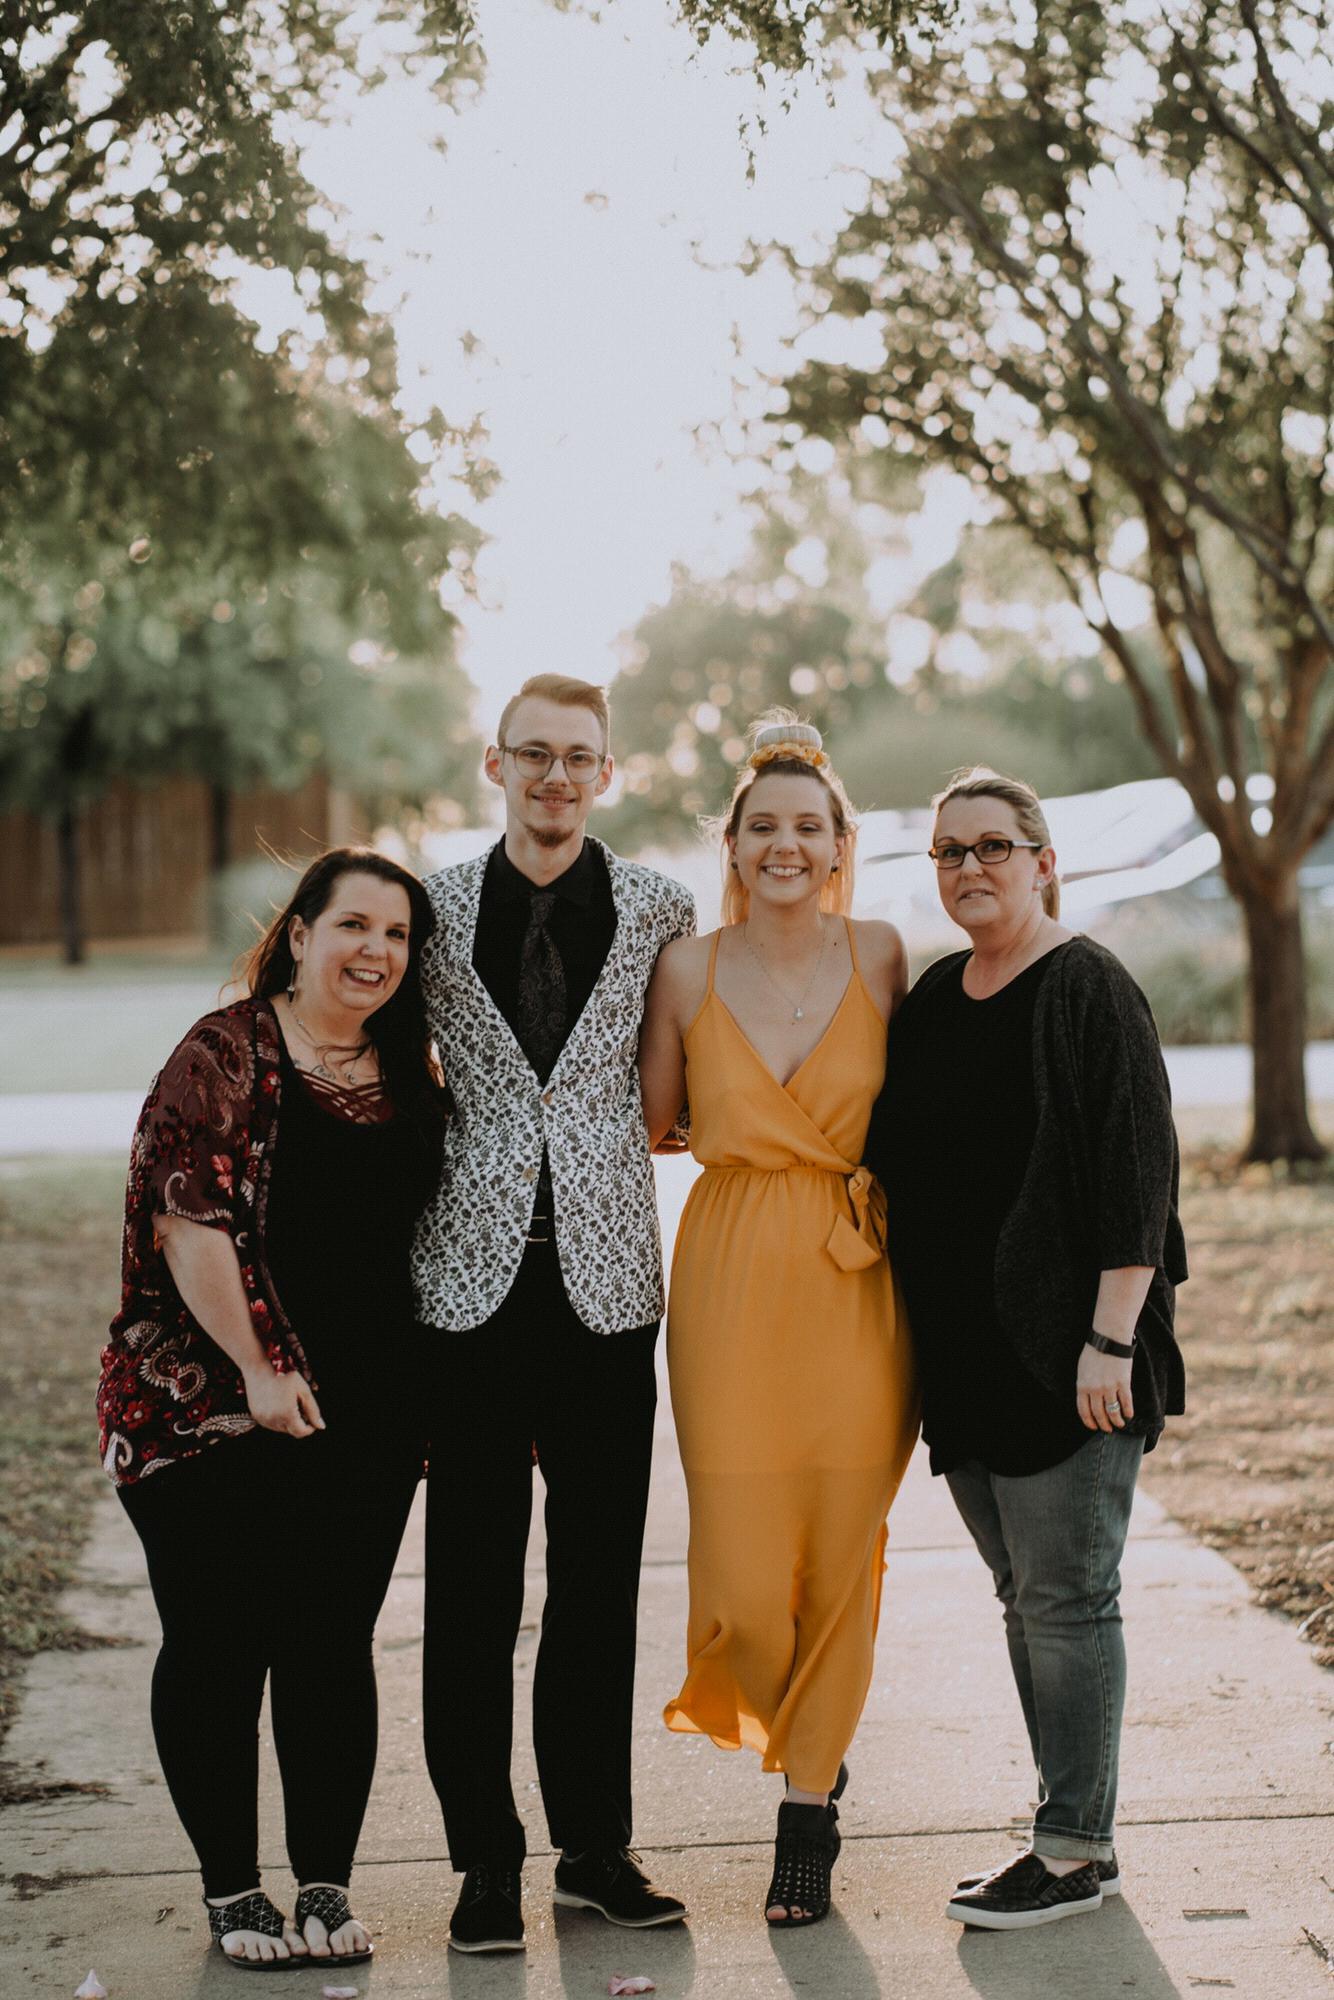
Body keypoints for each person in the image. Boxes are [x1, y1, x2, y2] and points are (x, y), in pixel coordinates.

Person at [97, 847, 445, 1969]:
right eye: (353, 925)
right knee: (217, 1641)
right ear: (298, 934)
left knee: (330, 1643)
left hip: (366, 1410)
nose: (375, 951)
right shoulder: (226, 1051)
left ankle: (326, 1883)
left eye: (396, 934)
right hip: (206, 1404)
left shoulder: (408, 1072)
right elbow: (185, 1219)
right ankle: (235, 1890)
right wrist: (257, 1364)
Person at [866, 766, 1187, 1931]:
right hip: (964, 1359)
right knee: (1026, 1596)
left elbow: (1138, 1176)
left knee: (1065, 1598)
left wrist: (1109, 1337)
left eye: (992, 846)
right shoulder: (936, 994)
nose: (968, 867)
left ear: (1042, 861)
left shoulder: (1086, 986)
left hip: (1067, 1357)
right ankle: (1067, 1826)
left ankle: (1072, 1847)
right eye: (949, 850)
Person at [414, 672, 695, 1955]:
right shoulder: (429, 907)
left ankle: (593, 1849)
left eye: (578, 756)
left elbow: (673, 1075)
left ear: (606, 772)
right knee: (471, 1586)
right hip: (465, 1290)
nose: (555, 776)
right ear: (495, 763)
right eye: (533, 753)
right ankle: (483, 1857)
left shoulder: (658, 906)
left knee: (595, 1585)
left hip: (607, 1288)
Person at [638, 714, 920, 1929]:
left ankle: (807, 1808)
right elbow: (653, 1122)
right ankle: (799, 1725)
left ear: (840, 843)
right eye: (764, 826)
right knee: (749, 1573)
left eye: (809, 825)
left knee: (843, 1548)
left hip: (856, 1276)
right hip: (729, 1273)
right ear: (733, 843)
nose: (786, 844)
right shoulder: (685, 970)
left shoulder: (885, 953)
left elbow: (930, 1108)